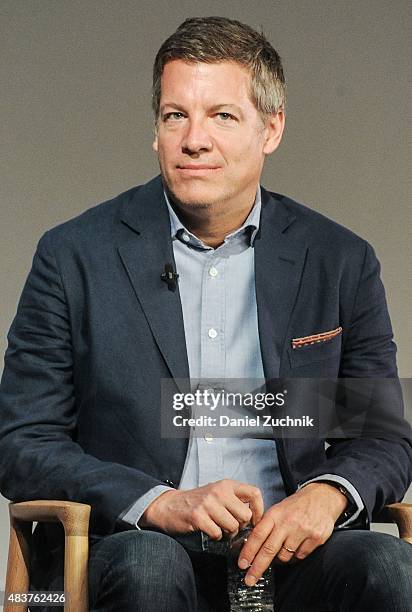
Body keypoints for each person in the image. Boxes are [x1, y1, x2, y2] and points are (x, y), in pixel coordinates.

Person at [0, 15, 411, 612]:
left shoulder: (338, 261)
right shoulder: (73, 257)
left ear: (271, 129)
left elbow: (379, 437)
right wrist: (157, 502)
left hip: (289, 555)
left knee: (389, 567)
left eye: (222, 115)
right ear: (156, 131)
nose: (195, 139)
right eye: (175, 116)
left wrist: (326, 495)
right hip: (126, 546)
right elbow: (22, 441)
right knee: (150, 565)